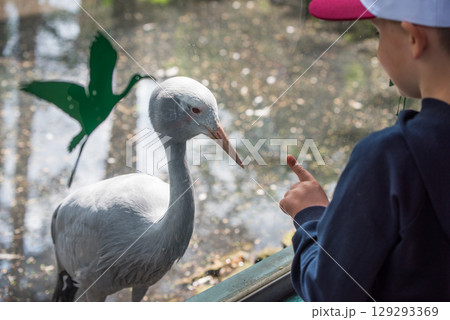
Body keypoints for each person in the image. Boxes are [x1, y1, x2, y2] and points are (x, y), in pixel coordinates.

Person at [279, 0, 450, 301]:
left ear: (414, 39)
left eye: (377, 33)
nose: (377, 50)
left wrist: (311, 216)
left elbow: (328, 295)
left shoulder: (390, 159)